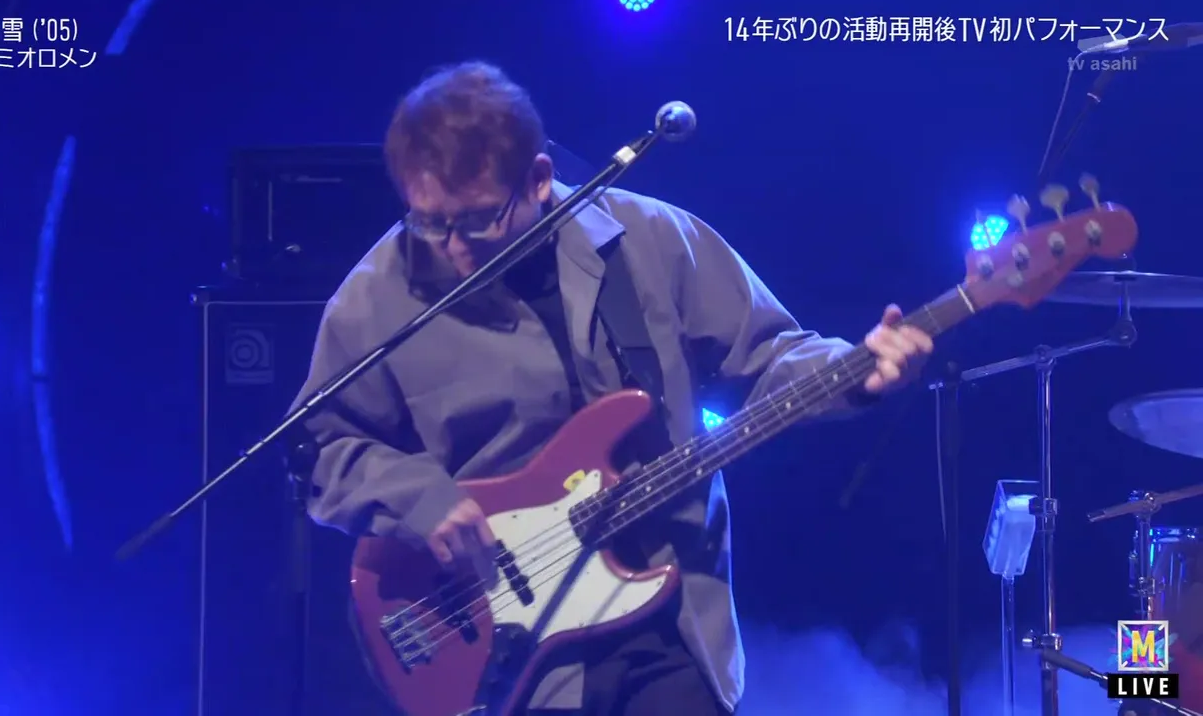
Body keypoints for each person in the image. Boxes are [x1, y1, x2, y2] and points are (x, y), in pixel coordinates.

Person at [293, 61, 933, 716]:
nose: (453, 248)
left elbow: (768, 354)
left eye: (479, 220)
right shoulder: (378, 294)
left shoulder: (652, 240)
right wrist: (422, 502)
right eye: (430, 223)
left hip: (671, 623)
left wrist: (856, 368)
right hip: (508, 653)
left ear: (539, 179)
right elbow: (320, 448)